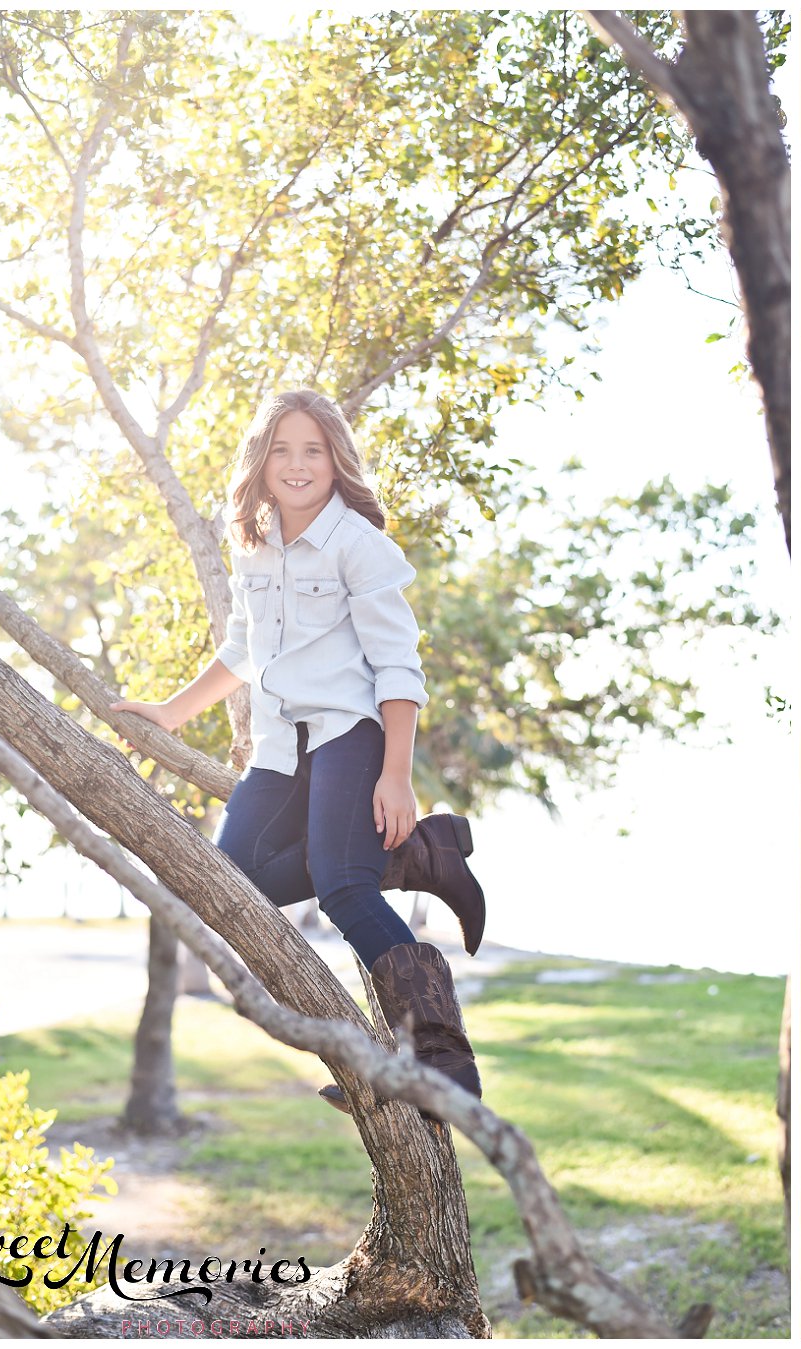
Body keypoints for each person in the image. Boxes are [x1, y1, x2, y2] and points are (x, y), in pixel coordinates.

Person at [112, 388, 486, 1118]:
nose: (297, 463)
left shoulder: (359, 544)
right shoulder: (252, 545)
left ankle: (445, 1061)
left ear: (337, 460)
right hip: (283, 746)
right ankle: (413, 857)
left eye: (313, 449)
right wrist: (171, 712)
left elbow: (399, 666)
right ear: (261, 460)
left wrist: (398, 774)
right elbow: (244, 650)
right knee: (232, 884)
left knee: (344, 887)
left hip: (352, 733)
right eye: (282, 448)